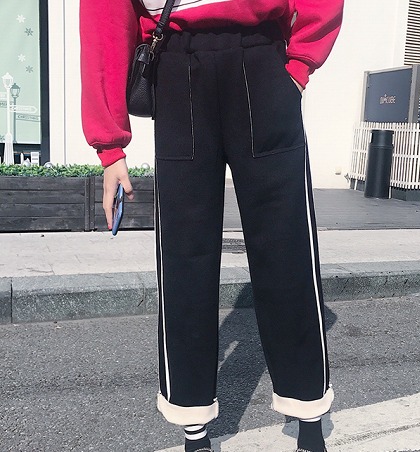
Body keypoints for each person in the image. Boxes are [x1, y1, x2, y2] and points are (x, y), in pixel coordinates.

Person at [80, 1, 343, 451]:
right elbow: (105, 16)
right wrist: (110, 145)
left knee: (287, 247)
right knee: (185, 256)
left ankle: (308, 414)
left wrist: (300, 63)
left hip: (263, 60)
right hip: (176, 65)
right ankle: (194, 425)